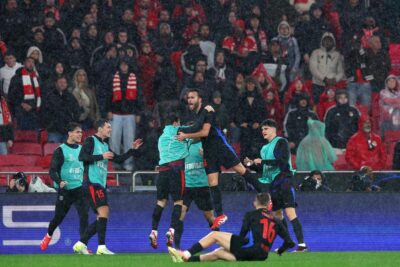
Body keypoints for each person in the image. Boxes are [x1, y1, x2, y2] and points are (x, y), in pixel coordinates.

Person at [176, 89, 255, 230]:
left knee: (242, 171)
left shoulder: (208, 110)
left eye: (192, 97)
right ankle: (220, 214)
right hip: (210, 152)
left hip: (220, 148)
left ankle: (264, 191)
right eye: (188, 98)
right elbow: (198, 132)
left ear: (200, 99)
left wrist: (183, 133)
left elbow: (204, 132)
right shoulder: (198, 114)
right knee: (213, 182)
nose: (189, 100)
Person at [72, 119, 143, 255]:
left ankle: (85, 244)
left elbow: (119, 159)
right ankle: (97, 246)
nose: (110, 129)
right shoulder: (90, 140)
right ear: (100, 129)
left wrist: (132, 150)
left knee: (102, 216)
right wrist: (101, 156)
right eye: (108, 127)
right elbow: (82, 157)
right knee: (104, 212)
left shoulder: (105, 144)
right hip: (92, 183)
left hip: (100, 184)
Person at [168, 193, 295, 262]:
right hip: (262, 256)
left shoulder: (251, 215)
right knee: (218, 253)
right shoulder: (277, 220)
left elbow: (242, 235)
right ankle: (187, 260)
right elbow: (290, 242)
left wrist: (230, 244)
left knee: (214, 235)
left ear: (255, 203)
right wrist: (280, 250)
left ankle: (185, 253)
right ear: (269, 204)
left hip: (249, 250)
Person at [244, 119, 308, 252]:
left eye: (266, 129)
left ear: (274, 129)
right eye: (262, 129)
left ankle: (302, 244)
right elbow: (265, 169)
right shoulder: (264, 148)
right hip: (272, 183)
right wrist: (253, 165)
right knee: (277, 215)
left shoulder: (281, 141)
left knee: (290, 212)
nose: (263, 131)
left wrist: (263, 161)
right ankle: (289, 242)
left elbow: (283, 162)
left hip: (284, 179)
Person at [39, 123, 88, 251]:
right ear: (70, 133)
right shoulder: (60, 150)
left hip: (79, 189)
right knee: (58, 218)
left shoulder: (82, 149)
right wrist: (59, 181)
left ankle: (82, 246)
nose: (80, 135)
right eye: (77, 132)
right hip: (65, 190)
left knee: (84, 216)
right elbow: (52, 170)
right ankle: (48, 235)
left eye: (81, 132)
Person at [149, 113, 190, 249]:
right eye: (178, 123)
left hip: (162, 171)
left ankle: (154, 231)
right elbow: (195, 130)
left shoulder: (161, 137)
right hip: (176, 170)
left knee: (161, 202)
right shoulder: (180, 131)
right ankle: (171, 230)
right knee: (178, 202)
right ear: (175, 123)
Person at [174, 141, 215, 249]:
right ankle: (177, 247)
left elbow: (215, 163)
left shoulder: (205, 144)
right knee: (180, 213)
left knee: (210, 217)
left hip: (202, 186)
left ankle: (220, 241)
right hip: (188, 187)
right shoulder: (185, 145)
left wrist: (206, 156)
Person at [42, 76, 80, 143]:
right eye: (60, 82)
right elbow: (44, 112)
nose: (62, 84)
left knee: (68, 151)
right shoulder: (49, 96)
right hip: (54, 130)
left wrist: (73, 124)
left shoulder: (70, 97)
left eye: (64, 82)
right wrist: (49, 124)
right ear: (56, 83)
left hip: (68, 130)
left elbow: (77, 111)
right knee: (53, 151)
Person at [8, 57, 41, 130]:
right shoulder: (16, 78)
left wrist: (32, 106)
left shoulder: (36, 78)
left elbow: (39, 95)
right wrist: (22, 104)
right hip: (20, 111)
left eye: (33, 62)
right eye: (28, 62)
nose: (31, 64)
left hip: (33, 111)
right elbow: (11, 95)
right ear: (24, 64)